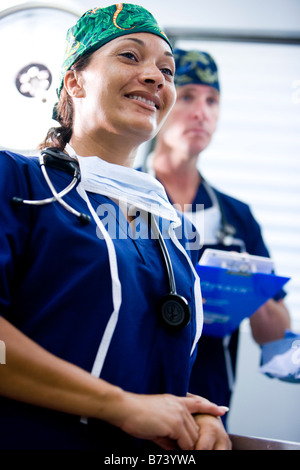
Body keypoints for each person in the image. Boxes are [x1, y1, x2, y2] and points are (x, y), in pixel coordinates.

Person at [0, 5, 232, 451]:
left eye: (167, 69)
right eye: (130, 56)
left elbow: (126, 360)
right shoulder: (21, 183)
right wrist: (120, 405)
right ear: (74, 80)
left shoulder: (171, 228)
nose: (155, 77)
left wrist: (190, 414)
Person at [142, 48, 291, 426]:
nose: (201, 112)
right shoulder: (119, 199)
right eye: (188, 96)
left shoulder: (237, 218)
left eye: (213, 101)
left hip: (210, 412)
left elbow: (273, 337)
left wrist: (247, 289)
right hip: (132, 403)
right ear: (159, 100)